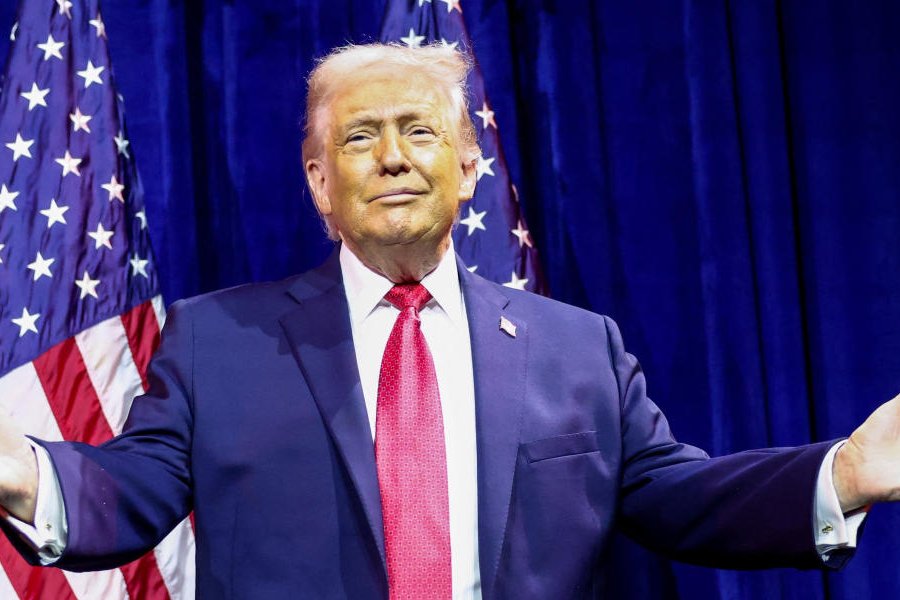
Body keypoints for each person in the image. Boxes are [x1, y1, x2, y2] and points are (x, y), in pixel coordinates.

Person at [0, 42, 897, 599]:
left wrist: (845, 475)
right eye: (359, 138)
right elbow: (131, 494)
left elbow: (677, 500)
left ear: (469, 170)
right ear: (319, 183)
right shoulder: (217, 343)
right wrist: (26, 477)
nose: (392, 157)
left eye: (420, 131)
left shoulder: (577, 348)